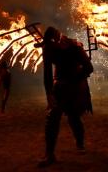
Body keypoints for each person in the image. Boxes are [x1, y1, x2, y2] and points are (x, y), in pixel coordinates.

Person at [36, 26, 93, 167]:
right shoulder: (48, 48)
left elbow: (88, 68)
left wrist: (74, 80)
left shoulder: (74, 47)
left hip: (76, 85)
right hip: (60, 85)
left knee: (74, 116)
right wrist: (49, 93)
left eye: (52, 43)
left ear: (59, 40)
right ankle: (49, 155)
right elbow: (47, 73)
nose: (50, 46)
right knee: (52, 118)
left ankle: (80, 144)